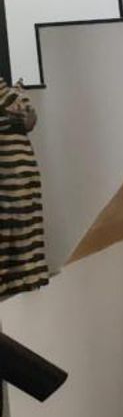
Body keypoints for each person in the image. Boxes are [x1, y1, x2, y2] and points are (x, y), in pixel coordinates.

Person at [0, 78, 47, 296]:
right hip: (8, 167)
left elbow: (29, 120)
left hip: (20, 168)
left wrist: (24, 115)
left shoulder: (12, 83)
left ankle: (23, 277)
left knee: (24, 224)